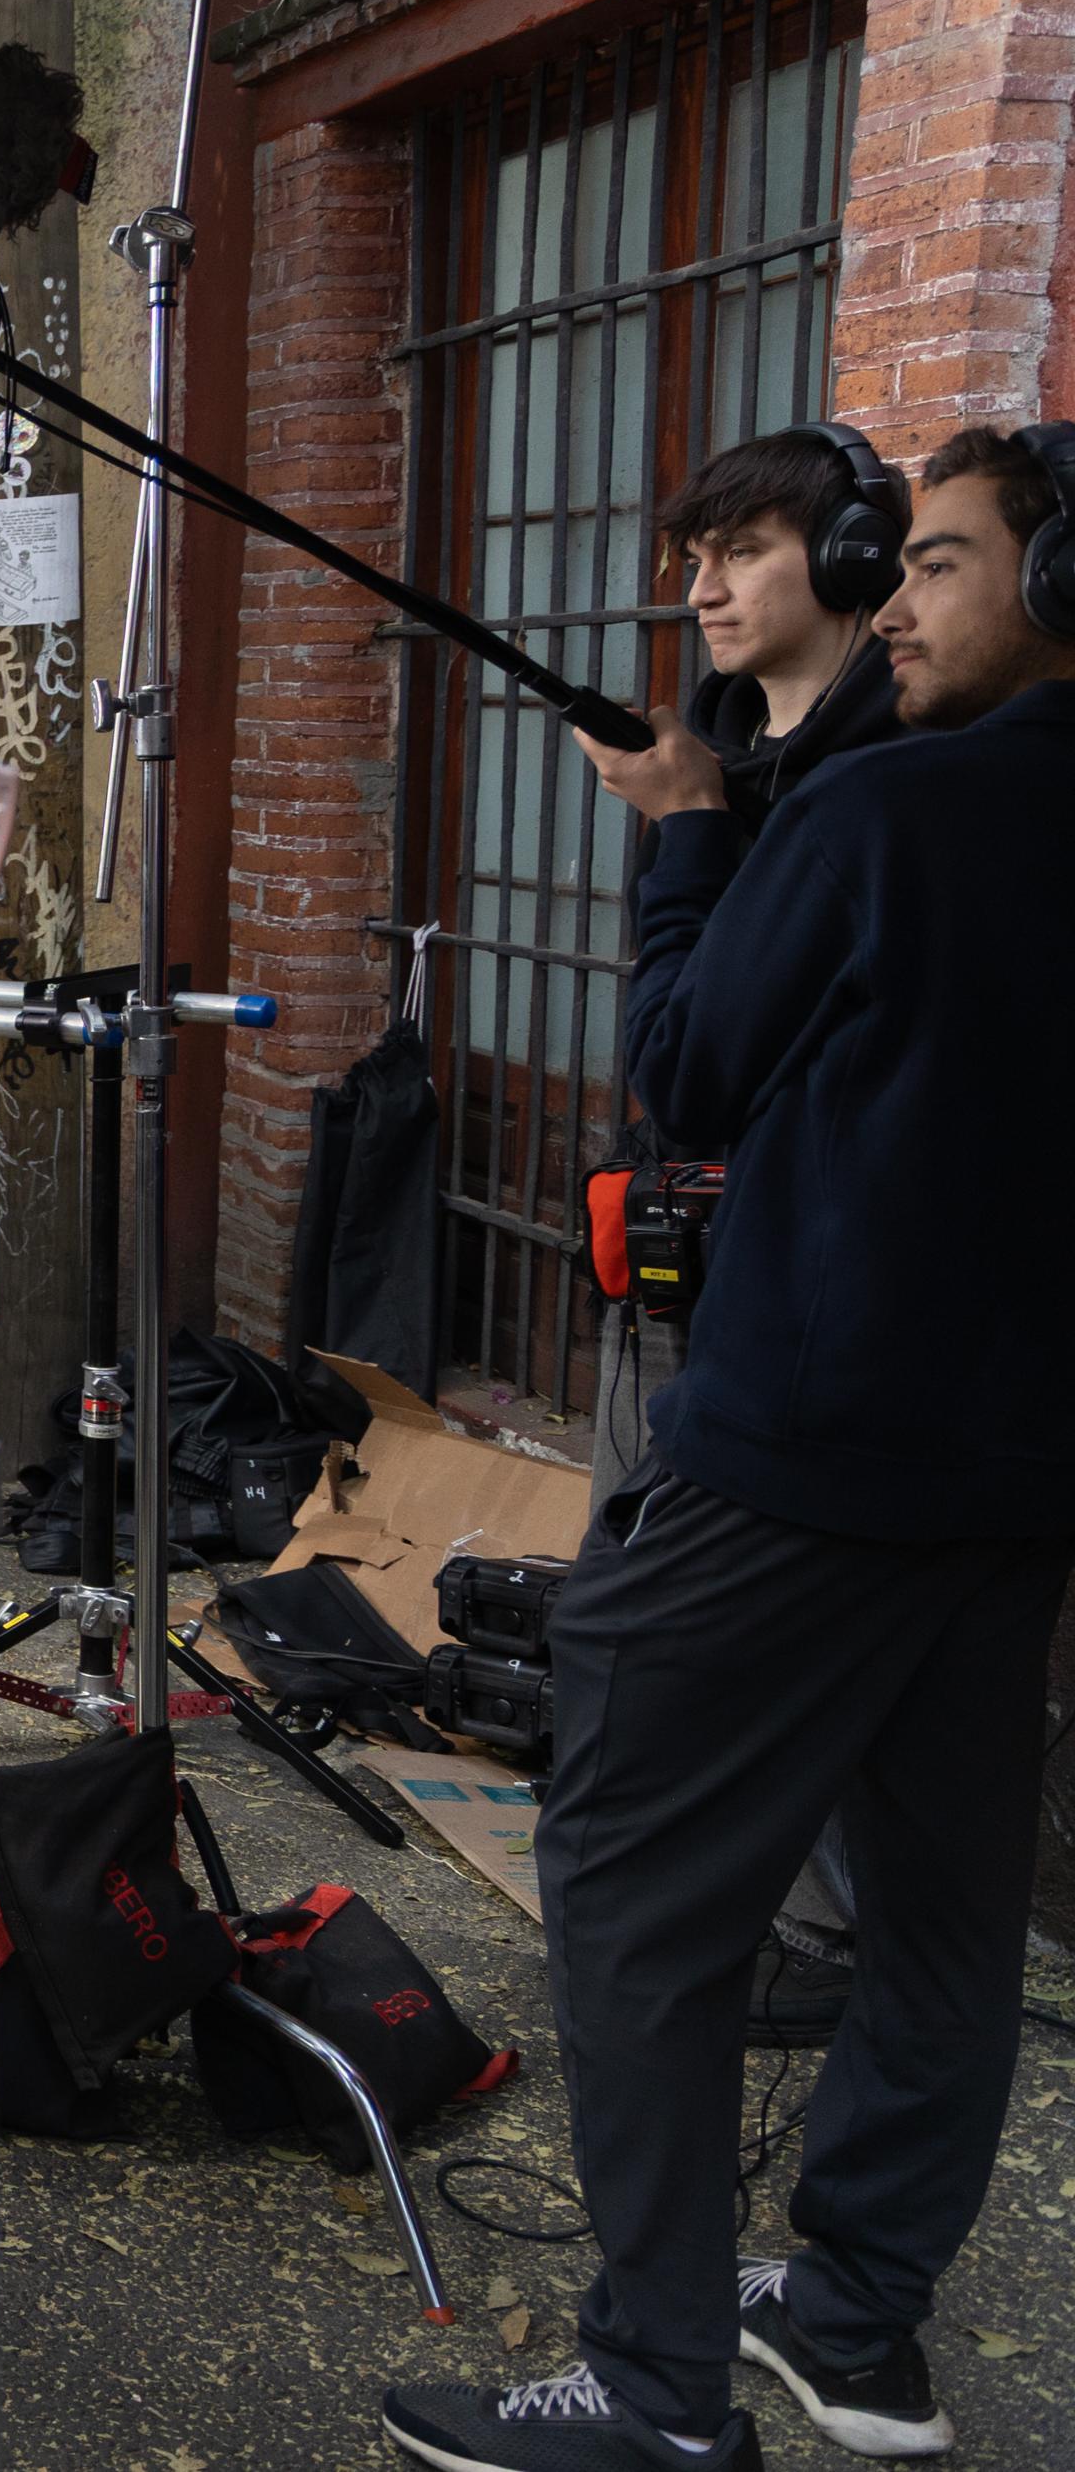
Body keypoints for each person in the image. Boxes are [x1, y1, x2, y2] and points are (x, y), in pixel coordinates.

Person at [382, 422, 1075, 2472]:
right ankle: (855, 2325)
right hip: (1014, 1481)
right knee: (950, 1918)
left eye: (937, 564)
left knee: (626, 1881)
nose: (904, 599)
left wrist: (689, 829)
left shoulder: (893, 815)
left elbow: (686, 1067)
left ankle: (657, 2386)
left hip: (794, 1454)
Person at [585, 428, 911, 2057]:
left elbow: (721, 1049)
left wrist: (696, 834)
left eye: (745, 551)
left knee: (813, 1648)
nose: (702, 590)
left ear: (850, 558)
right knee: (639, 1607)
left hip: (817, 1297)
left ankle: (828, 1939)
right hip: (667, 1250)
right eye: (693, 556)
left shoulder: (892, 767)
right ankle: (715, 1916)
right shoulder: (711, 742)